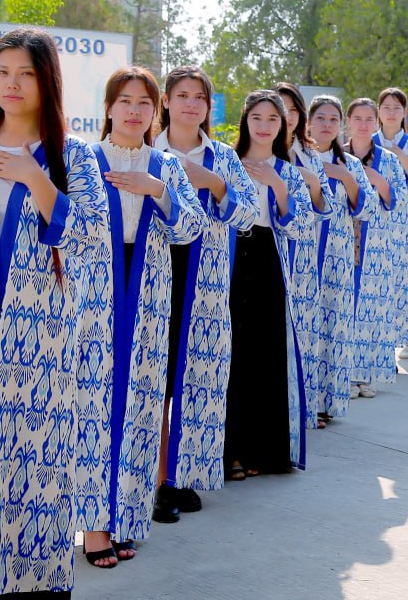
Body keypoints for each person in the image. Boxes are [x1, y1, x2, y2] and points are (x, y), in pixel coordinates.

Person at [0, 28, 108, 599]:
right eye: (2, 72)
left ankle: (30, 583)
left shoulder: (75, 155)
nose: (12, 84)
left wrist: (37, 179)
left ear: (47, 81)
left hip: (40, 339)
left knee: (34, 463)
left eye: (26, 74)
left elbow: (89, 241)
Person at [75, 67, 205, 567]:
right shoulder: (84, 158)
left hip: (148, 290)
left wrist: (157, 190)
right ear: (108, 107)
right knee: (92, 407)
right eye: (125, 101)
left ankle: (126, 516)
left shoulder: (165, 164)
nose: (134, 111)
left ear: (157, 111)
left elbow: (189, 227)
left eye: (144, 103)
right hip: (96, 294)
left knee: (142, 408)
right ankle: (93, 528)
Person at [152, 65, 259, 522]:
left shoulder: (221, 157)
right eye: (182, 95)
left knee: (195, 378)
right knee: (152, 379)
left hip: (205, 282)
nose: (191, 104)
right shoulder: (145, 149)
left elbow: (249, 215)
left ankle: (180, 474)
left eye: (200, 97)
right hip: (151, 276)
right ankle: (153, 479)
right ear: (167, 101)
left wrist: (215, 183)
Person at [225, 89, 315, 480]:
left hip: (268, 262)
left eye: (272, 120)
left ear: (284, 126)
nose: (264, 127)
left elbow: (299, 226)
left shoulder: (288, 170)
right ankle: (231, 453)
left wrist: (278, 186)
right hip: (229, 260)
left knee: (266, 355)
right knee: (232, 356)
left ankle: (264, 451)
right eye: (257, 118)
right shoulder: (226, 161)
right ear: (245, 120)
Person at [305, 95, 375, 424]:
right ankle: (301, 402)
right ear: (308, 121)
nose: (327, 125)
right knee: (306, 326)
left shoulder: (350, 164)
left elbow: (366, 208)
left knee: (333, 326)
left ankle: (325, 402)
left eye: (333, 119)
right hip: (302, 254)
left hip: (336, 255)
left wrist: (344, 177)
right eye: (321, 118)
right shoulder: (295, 158)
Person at [277, 83, 335, 426]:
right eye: (277, 109)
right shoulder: (248, 154)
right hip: (263, 253)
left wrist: (309, 181)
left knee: (304, 332)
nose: (285, 117)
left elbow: (325, 207)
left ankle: (304, 409)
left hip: (303, 257)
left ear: (301, 116)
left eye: (291, 110)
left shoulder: (311, 155)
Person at [345, 98, 408, 397]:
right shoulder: (337, 155)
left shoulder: (388, 159)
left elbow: (400, 200)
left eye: (369, 119)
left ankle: (364, 374)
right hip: (342, 240)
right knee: (345, 308)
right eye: (357, 118)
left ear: (377, 123)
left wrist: (379, 181)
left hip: (376, 243)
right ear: (348, 121)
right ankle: (342, 374)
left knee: (371, 311)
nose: (363, 124)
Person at [373, 88, 408, 360]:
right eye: (386, 107)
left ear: (404, 112)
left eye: (397, 107)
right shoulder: (367, 141)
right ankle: (377, 349)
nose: (391, 112)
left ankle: (404, 340)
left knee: (402, 282)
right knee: (377, 283)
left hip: (405, 223)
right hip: (373, 221)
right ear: (378, 111)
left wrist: (398, 156)